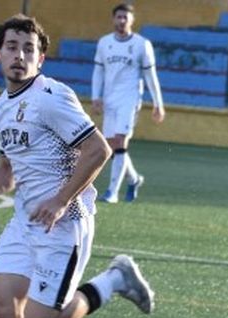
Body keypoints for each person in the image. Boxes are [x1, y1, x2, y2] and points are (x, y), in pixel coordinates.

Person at [0, 14, 156, 318]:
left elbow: (98, 150)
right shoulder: (0, 106)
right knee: (3, 305)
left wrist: (61, 200)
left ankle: (113, 280)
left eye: (29, 50)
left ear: (41, 59)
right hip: (26, 220)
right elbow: (8, 165)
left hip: (65, 222)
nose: (19, 56)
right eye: (12, 47)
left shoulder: (51, 96)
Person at [91, 3, 163, 204]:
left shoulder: (142, 44)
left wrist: (158, 103)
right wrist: (96, 97)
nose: (122, 21)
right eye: (119, 17)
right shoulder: (104, 43)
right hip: (110, 99)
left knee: (121, 141)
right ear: (113, 19)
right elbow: (98, 71)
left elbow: (151, 75)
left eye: (125, 17)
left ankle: (112, 192)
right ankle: (134, 179)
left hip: (130, 100)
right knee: (112, 146)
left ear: (132, 20)